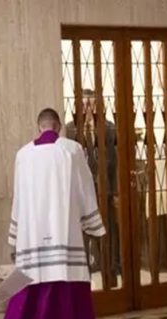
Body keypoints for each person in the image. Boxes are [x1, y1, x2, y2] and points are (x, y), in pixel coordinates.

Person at [0, 108, 106, 319]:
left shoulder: (23, 155)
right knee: (64, 275)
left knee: (32, 278)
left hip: (32, 232)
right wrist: (91, 221)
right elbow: (84, 187)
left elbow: (18, 196)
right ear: (58, 126)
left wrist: (16, 231)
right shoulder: (72, 150)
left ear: (39, 127)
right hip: (62, 227)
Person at [65, 88, 119, 277]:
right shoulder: (70, 129)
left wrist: (115, 191)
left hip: (103, 187)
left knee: (106, 228)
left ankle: (109, 267)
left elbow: (115, 161)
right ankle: (84, 270)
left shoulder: (109, 128)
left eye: (92, 104)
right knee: (83, 230)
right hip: (81, 189)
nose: (88, 108)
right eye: (84, 104)